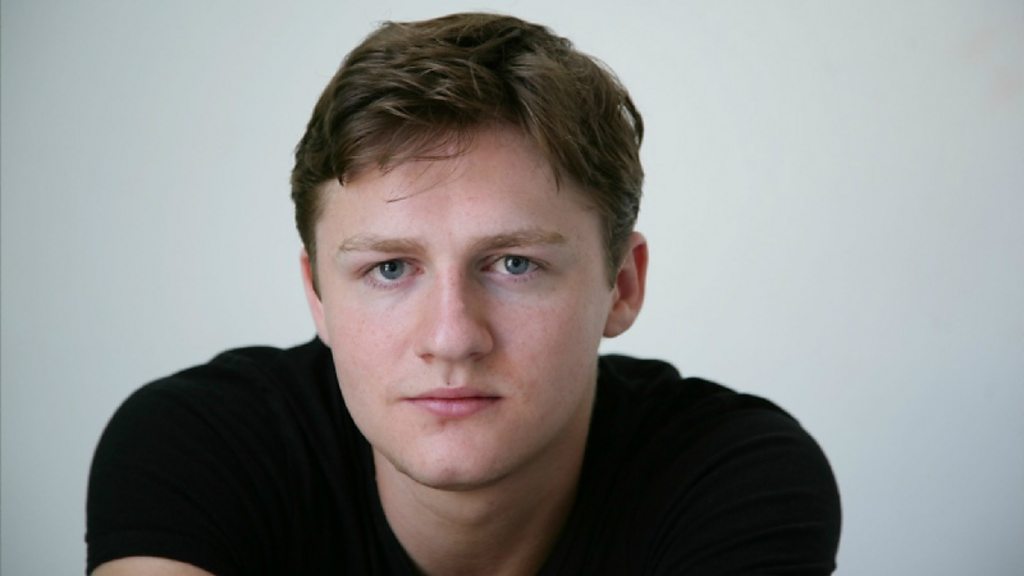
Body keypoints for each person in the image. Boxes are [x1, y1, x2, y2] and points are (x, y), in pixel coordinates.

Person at [86, 12, 841, 576]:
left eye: (513, 264)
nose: (451, 337)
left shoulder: (731, 475)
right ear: (317, 295)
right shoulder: (200, 446)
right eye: (390, 269)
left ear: (622, 285)